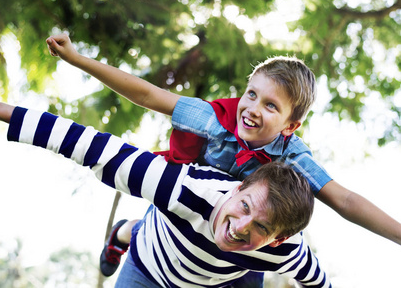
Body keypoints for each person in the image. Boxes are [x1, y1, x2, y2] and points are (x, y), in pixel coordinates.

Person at [45, 33, 401, 287]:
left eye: (271, 106)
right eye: (252, 94)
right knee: (156, 228)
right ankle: (124, 231)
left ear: (291, 125)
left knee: (248, 265)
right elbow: (148, 94)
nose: (253, 109)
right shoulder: (211, 118)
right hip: (186, 207)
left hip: (240, 233)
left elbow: (346, 199)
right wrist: (77, 59)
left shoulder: (292, 156)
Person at [0, 100, 331, 287]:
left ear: (277, 239)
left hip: (221, 279)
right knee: (149, 226)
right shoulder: (183, 188)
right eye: (244, 206)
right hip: (150, 266)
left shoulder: (286, 251)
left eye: (261, 227)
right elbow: (90, 145)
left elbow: (319, 283)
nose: (242, 226)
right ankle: (125, 231)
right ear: (237, 188)